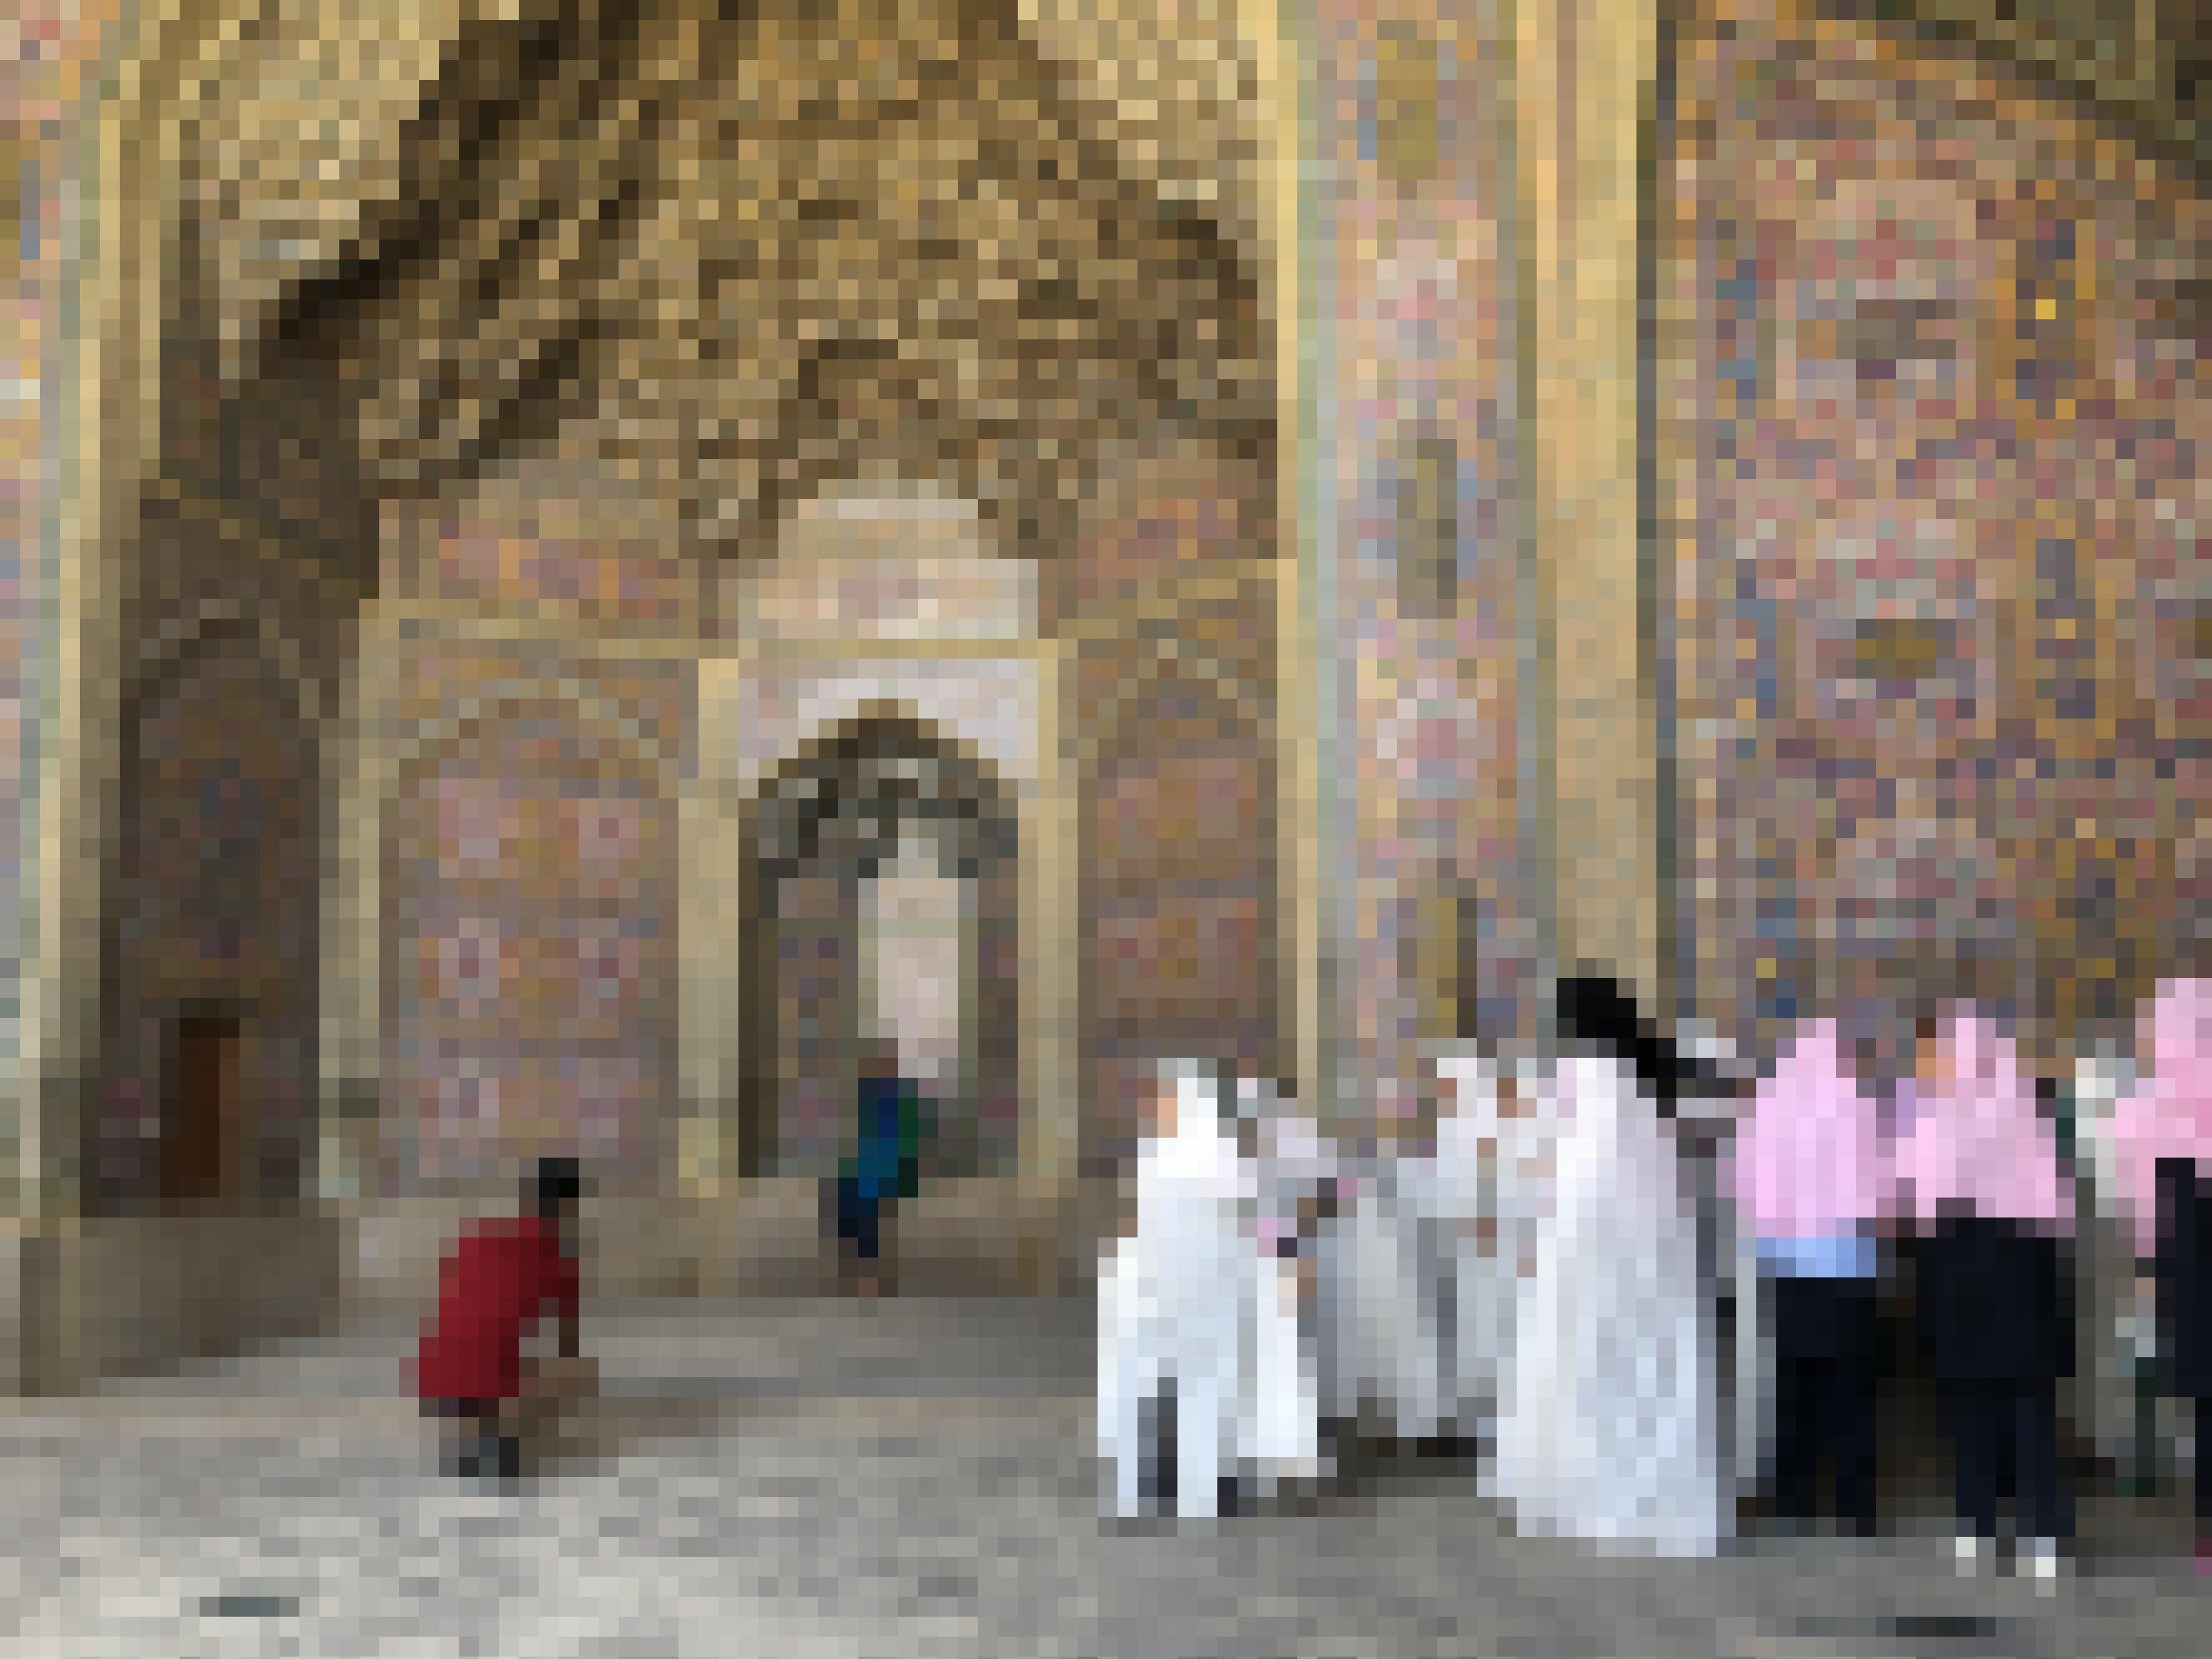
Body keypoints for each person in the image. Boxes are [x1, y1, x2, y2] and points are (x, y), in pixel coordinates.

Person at [1484, 976, 1727, 1556]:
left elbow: (1550, 1162)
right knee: (1647, 1367)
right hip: (1652, 1248)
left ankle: (1592, 1490)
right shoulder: (1652, 1072)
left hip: (1585, 1242)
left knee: (1589, 1361)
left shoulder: (1581, 1077)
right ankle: (1655, 1493)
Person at [1893, 1004, 2077, 1582]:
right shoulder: (2027, 1109)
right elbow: (2058, 1207)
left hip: (1957, 1267)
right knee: (2031, 1412)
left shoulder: (1936, 1114)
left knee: (1970, 1410)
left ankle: (1974, 1533)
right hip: (2023, 1266)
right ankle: (2042, 1540)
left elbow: (1912, 1198)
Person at [1727, 1016, 1893, 1539]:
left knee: (1794, 1386)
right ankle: (1854, 1506)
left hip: (1789, 1266)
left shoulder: (1772, 1106)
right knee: (1852, 1389)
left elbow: (1743, 1179)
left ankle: (1793, 1500)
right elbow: (1885, 1185)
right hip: (1850, 1266)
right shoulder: (1861, 1107)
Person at [1097, 1059, 1256, 1521]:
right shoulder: (1173, 1154)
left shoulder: (1208, 1157)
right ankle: (1172, 1480)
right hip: (1171, 1286)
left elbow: (1244, 1220)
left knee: (1196, 1386)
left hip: (1196, 1284)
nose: (1157, 1110)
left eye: (1166, 1102)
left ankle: (1191, 1482)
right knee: (1171, 1386)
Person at [2104, 976, 2212, 1574]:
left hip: (2187, 1277)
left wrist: (2147, 1267)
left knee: (2206, 1409)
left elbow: (2139, 1210)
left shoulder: (2144, 1108)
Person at [413, 1156, 591, 1485]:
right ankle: (498, 1435)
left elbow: (453, 1304)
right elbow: (568, 1347)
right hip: (486, 1386)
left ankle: (473, 1434)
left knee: (491, 1350)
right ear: (569, 1207)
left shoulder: (485, 1234)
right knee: (564, 1369)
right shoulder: (558, 1259)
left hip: (432, 1378)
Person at [829, 1039, 928, 1298]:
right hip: (866, 1166)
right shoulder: (866, 1093)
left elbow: (905, 1141)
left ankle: (867, 1275)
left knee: (864, 1208)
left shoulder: (899, 1096)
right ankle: (858, 1271)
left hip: (883, 1167)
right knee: (847, 1203)